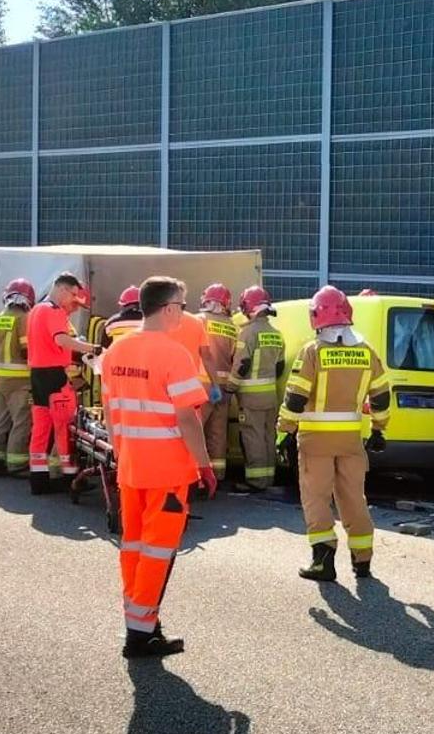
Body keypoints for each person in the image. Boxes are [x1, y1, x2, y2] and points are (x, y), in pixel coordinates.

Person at [101, 276, 217, 658]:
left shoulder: (117, 351)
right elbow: (187, 417)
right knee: (158, 551)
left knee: (132, 546)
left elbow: (111, 414)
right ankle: (141, 634)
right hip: (167, 470)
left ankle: (138, 622)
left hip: (131, 467)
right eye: (182, 306)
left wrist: (121, 456)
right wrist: (204, 465)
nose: (183, 313)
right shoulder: (173, 354)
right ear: (168, 309)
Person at [278, 286, 390, 581]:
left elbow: (295, 398)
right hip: (351, 440)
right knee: (354, 497)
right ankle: (362, 560)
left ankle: (323, 561)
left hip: (315, 441)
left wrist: (284, 432)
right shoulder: (367, 352)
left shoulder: (313, 351)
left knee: (316, 498)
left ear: (316, 316)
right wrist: (379, 429)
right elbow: (381, 395)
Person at [27, 272, 99, 494]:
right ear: (62, 289)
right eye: (73, 295)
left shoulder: (36, 310)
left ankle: (38, 480)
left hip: (38, 375)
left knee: (41, 428)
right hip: (55, 376)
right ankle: (69, 479)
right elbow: (61, 339)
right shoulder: (54, 311)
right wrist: (93, 349)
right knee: (65, 427)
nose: (73, 301)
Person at [230, 286, 285, 493]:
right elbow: (279, 367)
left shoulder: (248, 332)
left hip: (251, 397)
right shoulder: (276, 334)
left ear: (249, 308)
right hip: (271, 396)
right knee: (267, 436)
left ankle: (256, 481)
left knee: (252, 437)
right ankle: (269, 477)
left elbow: (241, 364)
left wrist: (230, 387)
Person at [0, 278, 36, 478]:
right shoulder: (24, 318)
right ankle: (17, 464)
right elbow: (27, 350)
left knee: (0, 420)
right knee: (21, 422)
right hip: (20, 379)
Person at [197, 283, 239, 485]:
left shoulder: (200, 321)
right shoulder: (232, 326)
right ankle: (217, 475)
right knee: (218, 431)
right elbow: (234, 357)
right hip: (224, 385)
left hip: (202, 383)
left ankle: (195, 476)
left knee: (196, 429)